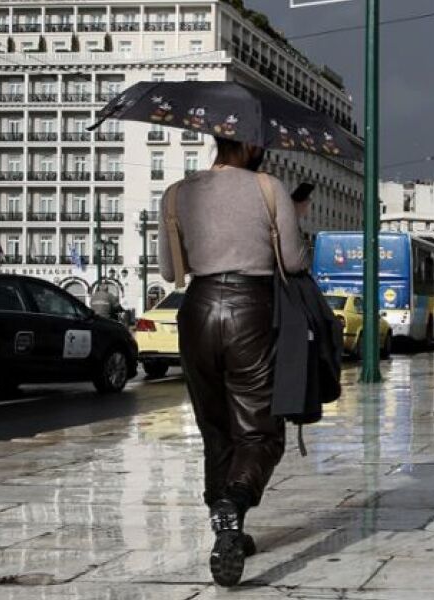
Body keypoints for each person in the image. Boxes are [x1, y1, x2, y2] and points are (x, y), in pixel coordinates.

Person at [159, 138, 309, 586]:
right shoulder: (269, 188)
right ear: (246, 144)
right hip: (252, 310)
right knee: (260, 431)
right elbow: (293, 262)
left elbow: (170, 271)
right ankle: (234, 504)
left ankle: (228, 529)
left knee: (215, 428)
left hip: (198, 310)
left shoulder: (176, 193)